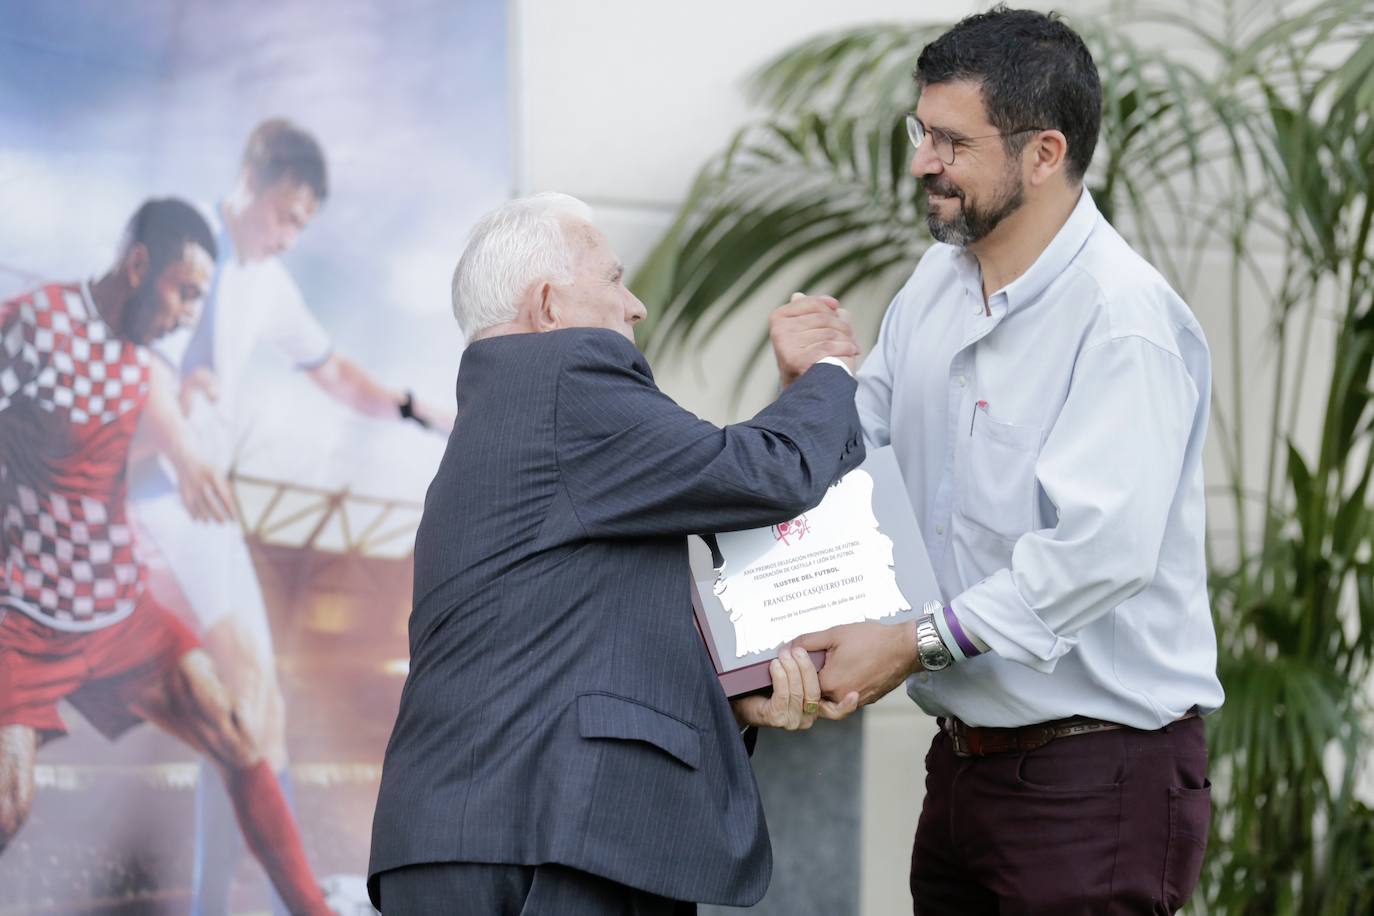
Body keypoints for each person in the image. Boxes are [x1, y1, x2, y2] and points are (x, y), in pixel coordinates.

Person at [776, 7, 1225, 914]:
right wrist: (810, 387)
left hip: (1097, 780)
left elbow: (1096, 556)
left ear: (1044, 152)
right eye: (920, 130)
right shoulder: (934, 283)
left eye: (950, 140)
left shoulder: (1123, 320)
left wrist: (909, 646)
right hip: (967, 771)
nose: (919, 163)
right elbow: (860, 464)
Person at [367, 192, 864, 914]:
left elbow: (579, 637)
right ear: (548, 304)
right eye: (612, 278)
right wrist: (828, 373)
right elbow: (769, 471)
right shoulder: (567, 377)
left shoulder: (501, 423)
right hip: (550, 836)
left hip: (462, 839)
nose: (634, 306)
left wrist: (733, 699)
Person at [126, 119, 451, 916]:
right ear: (251, 179)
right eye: (285, 213)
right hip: (148, 496)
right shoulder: (182, 241)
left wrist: (415, 407)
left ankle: (251, 903)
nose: (291, 233)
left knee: (247, 712)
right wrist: (170, 429)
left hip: (204, 505)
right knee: (244, 700)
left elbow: (334, 372)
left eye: (305, 223)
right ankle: (296, 903)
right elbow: (129, 358)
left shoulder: (266, 280)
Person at [0, 199, 335, 915]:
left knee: (236, 733)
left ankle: (315, 911)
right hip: (19, 615)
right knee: (9, 804)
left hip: (113, 608)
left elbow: (174, 434)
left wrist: (189, 457)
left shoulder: (144, 371)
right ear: (140, 265)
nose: (188, 314)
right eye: (184, 293)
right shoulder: (34, 322)